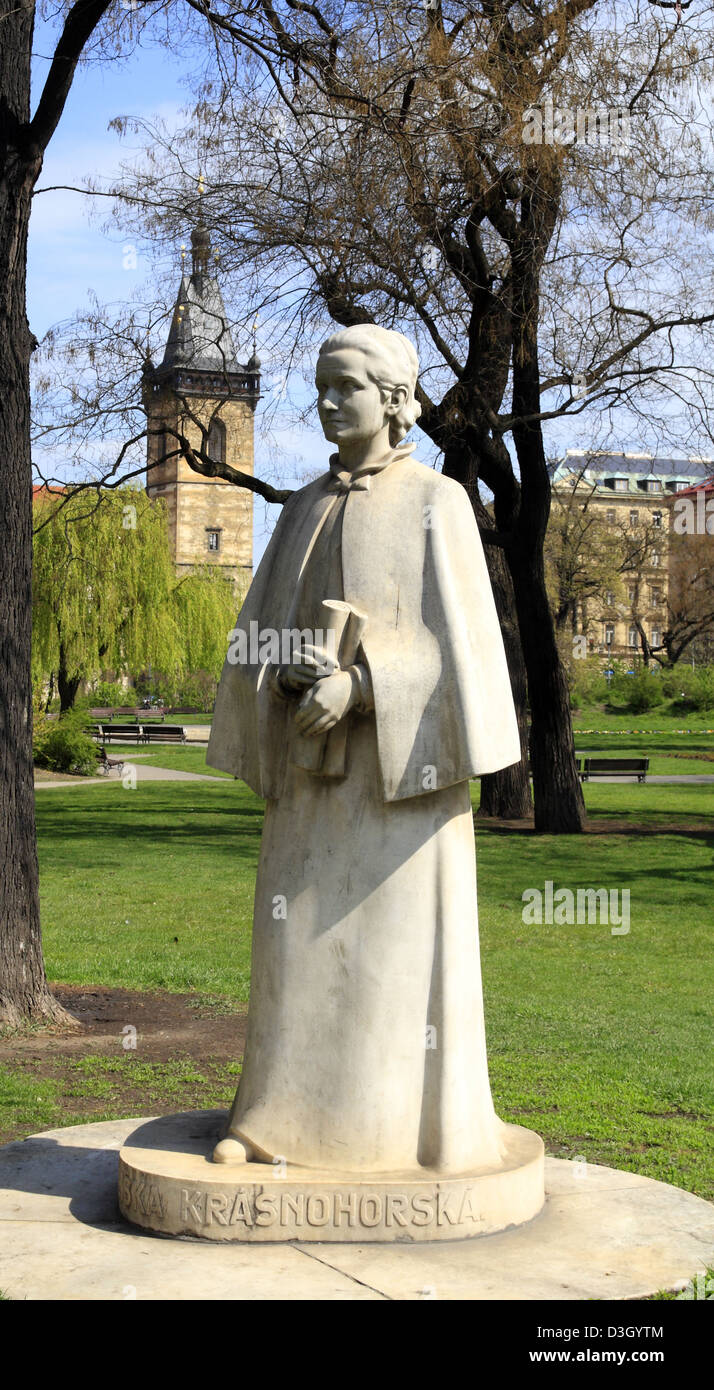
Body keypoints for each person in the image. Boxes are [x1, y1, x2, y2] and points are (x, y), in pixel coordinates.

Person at [206, 324, 521, 1174]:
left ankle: (394, 1135)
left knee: (387, 970)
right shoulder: (305, 506)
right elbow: (258, 640)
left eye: (345, 386)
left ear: (392, 398)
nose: (327, 401)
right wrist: (287, 677)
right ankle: (273, 1120)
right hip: (312, 788)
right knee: (295, 956)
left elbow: (464, 656)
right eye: (319, 385)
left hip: (399, 796)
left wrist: (366, 684)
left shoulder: (437, 503)